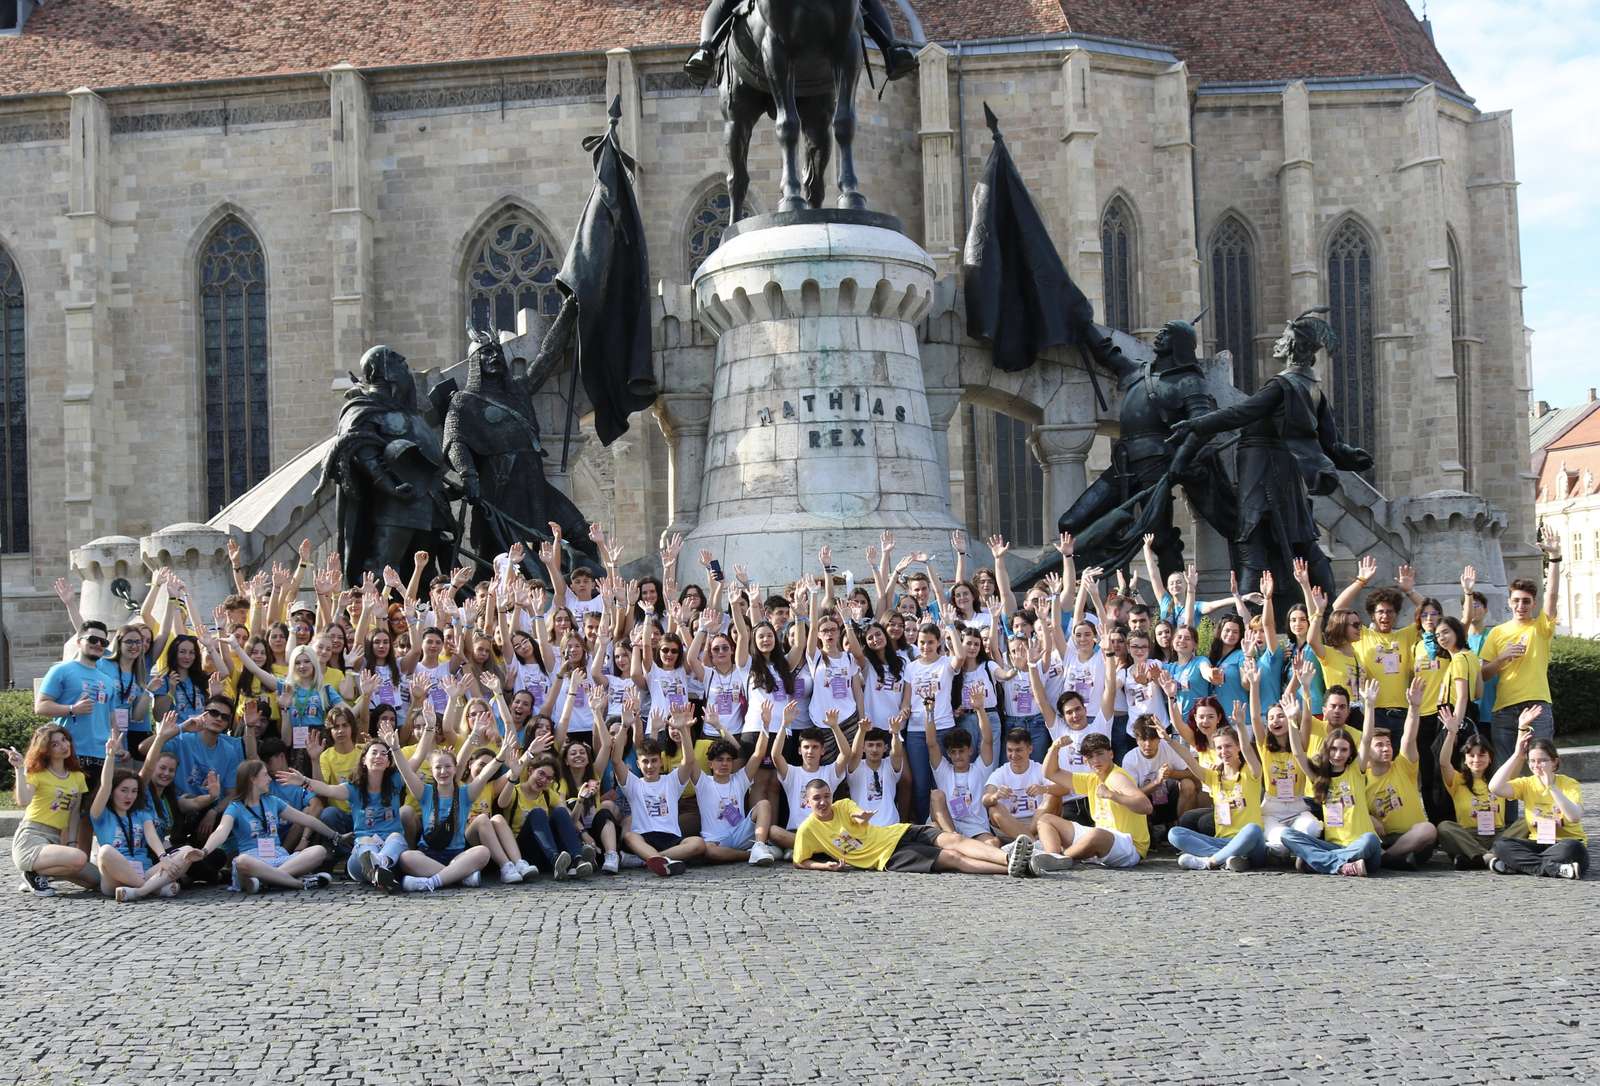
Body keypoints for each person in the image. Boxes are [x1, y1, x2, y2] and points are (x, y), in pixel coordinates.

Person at [790, 779, 1031, 876]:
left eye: (825, 796)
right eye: (816, 798)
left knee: (953, 838)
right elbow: (800, 861)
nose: (822, 802)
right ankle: (1010, 868)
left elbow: (856, 813)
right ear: (807, 801)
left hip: (897, 832)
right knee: (952, 857)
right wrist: (825, 866)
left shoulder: (842, 805)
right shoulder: (807, 830)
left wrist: (861, 816)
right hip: (886, 856)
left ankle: (1009, 857)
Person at [381, 711, 500, 892]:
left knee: (483, 852)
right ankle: (458, 877)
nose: (443, 771)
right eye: (438, 767)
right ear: (432, 770)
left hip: (456, 856)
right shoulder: (425, 792)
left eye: (448, 767)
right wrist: (395, 748)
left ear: (455, 769)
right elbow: (406, 772)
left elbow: (484, 775)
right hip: (427, 855)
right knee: (406, 857)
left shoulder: (465, 793)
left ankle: (431, 882)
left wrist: (501, 753)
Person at [191, 760, 342, 894]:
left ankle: (267, 880)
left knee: (319, 851)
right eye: (265, 775)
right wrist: (204, 851)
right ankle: (298, 883)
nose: (270, 779)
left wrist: (336, 836)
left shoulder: (273, 801)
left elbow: (308, 820)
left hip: (279, 858)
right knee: (241, 861)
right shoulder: (235, 807)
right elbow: (220, 832)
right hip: (253, 861)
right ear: (252, 779)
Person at [1481, 526, 1562, 770]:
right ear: (1509, 602)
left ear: (1533, 603)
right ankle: (1509, 811)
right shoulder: (1497, 632)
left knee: (1541, 767)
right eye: (1516, 600)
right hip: (1504, 711)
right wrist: (1502, 658)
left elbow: (1553, 596)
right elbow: (1483, 674)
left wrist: (1555, 558)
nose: (1521, 605)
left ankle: (1541, 810)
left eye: (1526, 601)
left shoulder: (1540, 628)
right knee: (1506, 773)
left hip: (1537, 706)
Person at [1280, 689, 1382, 877]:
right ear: (1327, 751)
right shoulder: (1319, 776)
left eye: (1343, 750)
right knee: (1286, 835)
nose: (1338, 754)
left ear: (1350, 752)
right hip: (1334, 845)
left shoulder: (1356, 770)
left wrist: (1369, 705)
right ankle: (1342, 866)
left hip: (1362, 849)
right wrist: (1292, 721)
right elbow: (1297, 754)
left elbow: (1367, 739)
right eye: (1333, 749)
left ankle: (1322, 861)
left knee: (1370, 840)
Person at [87, 725, 195, 902]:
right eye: (124, 790)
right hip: (114, 878)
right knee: (105, 851)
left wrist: (164, 858)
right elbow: (105, 784)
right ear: (113, 791)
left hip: (145, 870)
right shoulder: (101, 814)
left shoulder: (141, 813)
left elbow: (152, 837)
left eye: (134, 791)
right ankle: (153, 888)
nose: (129, 796)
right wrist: (110, 756)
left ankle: (139, 891)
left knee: (187, 851)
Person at [609, 701, 706, 877]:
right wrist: (624, 726)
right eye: (645, 761)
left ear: (660, 761)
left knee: (698, 843)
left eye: (654, 760)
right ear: (638, 764)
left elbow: (689, 760)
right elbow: (616, 760)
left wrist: (683, 729)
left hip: (671, 839)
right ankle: (658, 859)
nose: (650, 766)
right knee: (630, 836)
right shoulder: (634, 784)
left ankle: (649, 860)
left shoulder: (671, 781)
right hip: (644, 837)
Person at [1034, 732, 1151, 869]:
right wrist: (1054, 747)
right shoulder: (1092, 779)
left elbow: (1146, 807)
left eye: (1100, 754)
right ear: (1085, 760)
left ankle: (1060, 858)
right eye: (1090, 756)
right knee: (1045, 819)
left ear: (1111, 754)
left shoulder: (1117, 777)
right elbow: (1050, 773)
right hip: (1104, 839)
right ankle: (1050, 857)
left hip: (1130, 846)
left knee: (1096, 834)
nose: (1096, 760)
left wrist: (1112, 795)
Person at [1160, 722, 1267, 872]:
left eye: (1228, 746)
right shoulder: (1213, 776)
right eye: (1219, 748)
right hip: (1220, 841)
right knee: (1175, 834)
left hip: (1251, 844)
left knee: (1253, 829)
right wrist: (1169, 740)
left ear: (1238, 747)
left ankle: (1210, 861)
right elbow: (1189, 759)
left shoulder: (1251, 772)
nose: (1224, 751)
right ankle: (1230, 859)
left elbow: (1248, 750)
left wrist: (1241, 726)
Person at [6, 728, 100, 896]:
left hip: (54, 841)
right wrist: (20, 769)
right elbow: (23, 801)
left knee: (96, 880)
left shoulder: (77, 777)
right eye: (55, 744)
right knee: (78, 858)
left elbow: (74, 815)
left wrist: (71, 843)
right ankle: (32, 873)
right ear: (46, 750)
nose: (64, 746)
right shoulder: (38, 774)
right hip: (31, 838)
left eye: (64, 740)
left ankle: (39, 873)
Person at [1488, 724, 1587, 879]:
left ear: (1554, 762)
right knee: (1500, 845)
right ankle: (1557, 869)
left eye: (1542, 761)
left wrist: (1551, 787)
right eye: (1532, 761)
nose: (1536, 766)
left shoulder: (1569, 784)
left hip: (1564, 844)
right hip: (1537, 843)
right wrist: (1516, 755)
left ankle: (1517, 865)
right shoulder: (1527, 783)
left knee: (1573, 848)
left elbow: (1574, 817)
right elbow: (1495, 787)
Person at [1360, 677, 1439, 869]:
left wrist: (1414, 707)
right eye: (1379, 745)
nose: (1386, 748)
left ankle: (1387, 859)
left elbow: (1409, 738)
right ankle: (1395, 859)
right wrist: (1369, 818)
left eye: (1388, 744)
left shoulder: (1403, 766)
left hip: (1413, 837)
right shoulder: (1362, 777)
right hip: (1384, 838)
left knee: (1428, 829)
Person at [694, 705, 781, 865]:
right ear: (710, 764)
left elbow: (758, 754)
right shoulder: (703, 781)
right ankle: (748, 855)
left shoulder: (739, 778)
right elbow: (689, 761)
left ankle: (759, 846)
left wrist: (766, 725)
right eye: (719, 760)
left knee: (763, 804)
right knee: (710, 851)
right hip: (716, 841)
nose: (724, 764)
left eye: (728, 760)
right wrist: (686, 729)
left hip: (742, 834)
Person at [1435, 704, 1506, 870]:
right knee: (1444, 827)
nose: (1476, 759)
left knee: (1525, 823)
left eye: (1482, 755)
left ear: (1490, 758)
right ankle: (1490, 856)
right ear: (1465, 759)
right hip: (1468, 835)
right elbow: (1444, 762)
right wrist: (1451, 733)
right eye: (1471, 755)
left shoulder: (1498, 781)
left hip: (1498, 834)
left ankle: (1478, 859)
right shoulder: (1458, 780)